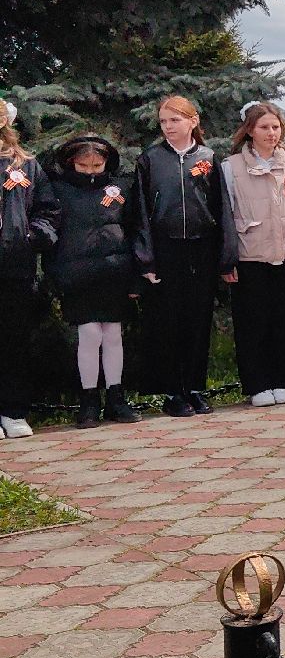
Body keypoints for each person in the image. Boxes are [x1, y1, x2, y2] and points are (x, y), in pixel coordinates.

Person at [133, 95, 238, 417]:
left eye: (175, 120)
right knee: (169, 323)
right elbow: (139, 212)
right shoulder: (150, 160)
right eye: (163, 121)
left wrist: (226, 256)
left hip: (200, 249)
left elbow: (222, 209)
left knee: (197, 321)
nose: (168, 127)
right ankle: (172, 392)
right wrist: (145, 259)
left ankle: (194, 388)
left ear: (193, 122)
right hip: (166, 250)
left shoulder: (207, 157)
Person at [45, 134, 143, 428]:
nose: (90, 171)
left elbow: (135, 227)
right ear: (71, 161)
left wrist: (136, 276)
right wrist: (56, 275)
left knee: (113, 335)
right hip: (77, 275)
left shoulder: (120, 187)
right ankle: (89, 401)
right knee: (89, 336)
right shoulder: (59, 189)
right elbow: (51, 232)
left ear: (106, 162)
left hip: (115, 272)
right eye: (83, 165)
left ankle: (116, 397)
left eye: (97, 165)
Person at [222, 102, 285, 407]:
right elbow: (226, 216)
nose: (270, 133)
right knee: (253, 322)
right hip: (249, 256)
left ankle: (283, 381)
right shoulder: (231, 167)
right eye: (263, 127)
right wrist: (227, 258)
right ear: (249, 130)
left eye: (275, 127)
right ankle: (257, 384)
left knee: (284, 321)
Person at [0, 99, 59, 438]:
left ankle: (14, 411)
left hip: (15, 266)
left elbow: (47, 210)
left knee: (13, 340)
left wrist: (32, 236)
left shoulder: (26, 165)